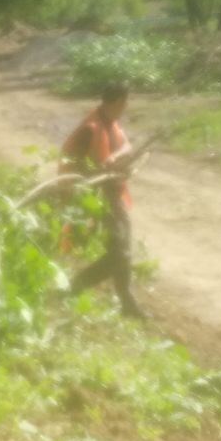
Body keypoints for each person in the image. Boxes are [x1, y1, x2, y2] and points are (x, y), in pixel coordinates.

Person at [59, 82, 143, 317]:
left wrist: (115, 159)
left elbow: (126, 147)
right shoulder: (91, 128)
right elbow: (84, 165)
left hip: (109, 193)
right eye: (126, 102)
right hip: (93, 196)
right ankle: (76, 286)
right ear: (119, 102)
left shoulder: (108, 121)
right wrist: (105, 167)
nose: (126, 107)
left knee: (123, 246)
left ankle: (127, 302)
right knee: (120, 252)